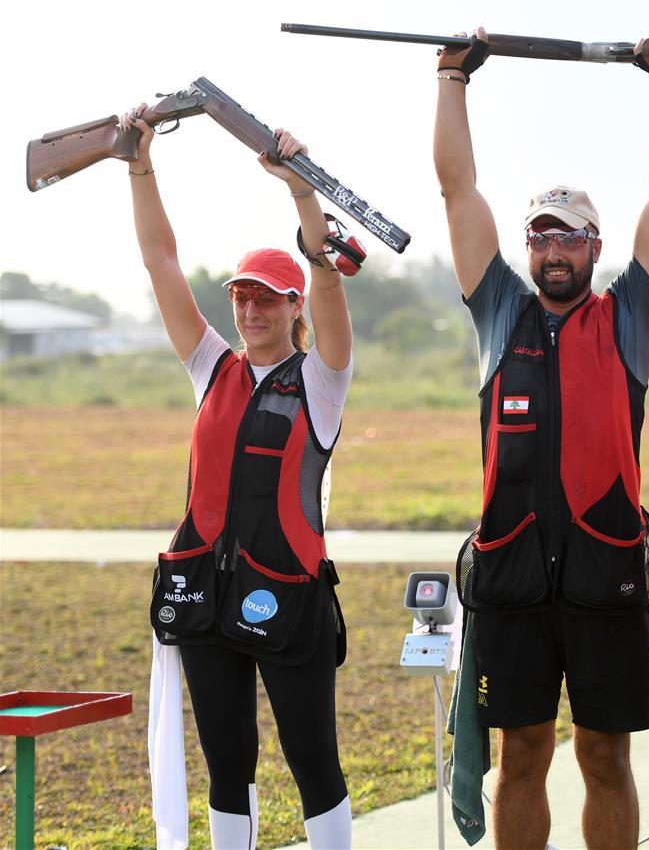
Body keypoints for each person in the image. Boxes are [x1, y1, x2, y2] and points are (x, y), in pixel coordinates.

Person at [434, 17, 649, 849]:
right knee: (522, 753)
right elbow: (455, 192)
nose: (553, 249)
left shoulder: (628, 318)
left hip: (602, 574)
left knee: (604, 755)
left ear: (594, 247)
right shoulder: (497, 310)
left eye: (568, 235)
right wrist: (451, 77)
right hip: (511, 575)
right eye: (540, 234)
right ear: (527, 247)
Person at [121, 104, 354, 850]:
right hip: (204, 595)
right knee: (228, 764)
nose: (249, 308)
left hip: (288, 593)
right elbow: (160, 258)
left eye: (265, 297)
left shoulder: (321, 377)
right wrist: (139, 163)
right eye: (240, 296)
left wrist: (298, 190)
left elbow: (328, 281)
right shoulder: (209, 365)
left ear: (293, 308)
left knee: (312, 760)